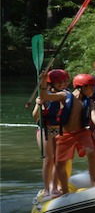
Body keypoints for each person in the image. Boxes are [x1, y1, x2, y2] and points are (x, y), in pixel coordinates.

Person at [37, 72, 95, 193]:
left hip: (82, 132)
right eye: (91, 87)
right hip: (65, 134)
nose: (94, 89)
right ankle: (64, 190)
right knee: (59, 163)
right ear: (81, 87)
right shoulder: (65, 95)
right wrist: (43, 83)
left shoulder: (90, 101)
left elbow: (93, 114)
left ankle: (94, 182)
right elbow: (45, 97)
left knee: (91, 151)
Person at [32, 69, 69, 197]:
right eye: (58, 82)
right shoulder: (44, 96)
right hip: (44, 129)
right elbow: (35, 116)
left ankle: (54, 187)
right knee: (49, 159)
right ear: (51, 83)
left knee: (57, 159)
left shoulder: (65, 95)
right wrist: (38, 104)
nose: (61, 84)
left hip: (58, 129)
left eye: (63, 81)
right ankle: (46, 189)